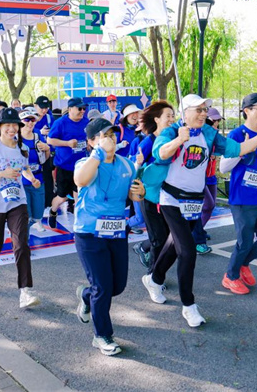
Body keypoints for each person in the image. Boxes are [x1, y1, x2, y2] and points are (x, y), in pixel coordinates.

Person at [142, 94, 257, 326]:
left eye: (205, 110)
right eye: (199, 110)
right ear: (185, 113)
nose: (204, 114)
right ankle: (189, 306)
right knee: (188, 251)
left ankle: (154, 278)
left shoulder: (210, 135)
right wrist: (177, 141)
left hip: (195, 200)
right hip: (171, 198)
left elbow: (238, 149)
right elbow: (159, 153)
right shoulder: (172, 131)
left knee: (174, 246)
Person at [73, 118, 145, 356]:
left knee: (116, 286)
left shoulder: (127, 165)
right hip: (88, 232)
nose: (111, 139)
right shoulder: (86, 162)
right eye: (104, 135)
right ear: (92, 141)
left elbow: (134, 197)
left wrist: (140, 194)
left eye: (113, 135)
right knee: (103, 287)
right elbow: (80, 180)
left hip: (115, 231)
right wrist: (98, 154)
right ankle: (102, 335)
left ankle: (87, 295)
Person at [0, 107, 42, 308]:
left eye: (15, 125)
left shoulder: (23, 150)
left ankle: (25, 292)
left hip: (17, 202)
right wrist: (1, 174)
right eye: (8, 125)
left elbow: (25, 168)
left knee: (21, 244)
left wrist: (32, 179)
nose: (12, 129)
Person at [220, 93, 257, 295]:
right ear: (247, 111)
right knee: (244, 242)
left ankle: (243, 264)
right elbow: (223, 167)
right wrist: (244, 150)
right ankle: (231, 276)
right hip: (242, 199)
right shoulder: (237, 135)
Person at [132, 100, 175, 270]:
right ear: (157, 119)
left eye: (173, 116)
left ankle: (143, 247)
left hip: (168, 195)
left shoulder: (174, 138)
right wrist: (139, 164)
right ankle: (153, 276)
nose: (172, 119)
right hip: (149, 196)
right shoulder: (148, 142)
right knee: (159, 239)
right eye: (168, 116)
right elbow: (135, 172)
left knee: (168, 237)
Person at [47, 97, 89, 227]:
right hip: (64, 166)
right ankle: (53, 211)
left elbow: (90, 138)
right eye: (79, 108)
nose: (82, 111)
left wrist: (88, 144)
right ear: (70, 109)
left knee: (79, 198)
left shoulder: (86, 122)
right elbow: (50, 140)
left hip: (81, 167)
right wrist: (67, 143)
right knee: (62, 197)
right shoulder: (60, 123)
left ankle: (79, 227)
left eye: (84, 109)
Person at [192, 107, 223, 255]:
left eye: (218, 120)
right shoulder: (200, 133)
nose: (216, 122)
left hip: (211, 176)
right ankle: (196, 238)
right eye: (214, 120)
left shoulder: (214, 134)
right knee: (206, 205)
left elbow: (226, 148)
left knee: (210, 207)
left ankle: (199, 231)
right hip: (199, 177)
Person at [20, 107, 50, 231]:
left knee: (38, 214)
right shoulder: (15, 139)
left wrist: (47, 148)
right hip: (21, 182)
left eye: (33, 120)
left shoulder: (38, 135)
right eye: (27, 120)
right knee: (24, 216)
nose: (30, 123)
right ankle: (23, 244)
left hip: (38, 180)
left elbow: (45, 159)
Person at [34, 95, 55, 212]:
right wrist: (39, 132)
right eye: (42, 107)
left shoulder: (49, 117)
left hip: (46, 151)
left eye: (46, 107)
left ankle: (48, 203)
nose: (44, 110)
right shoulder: (31, 118)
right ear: (35, 106)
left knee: (48, 177)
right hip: (33, 153)